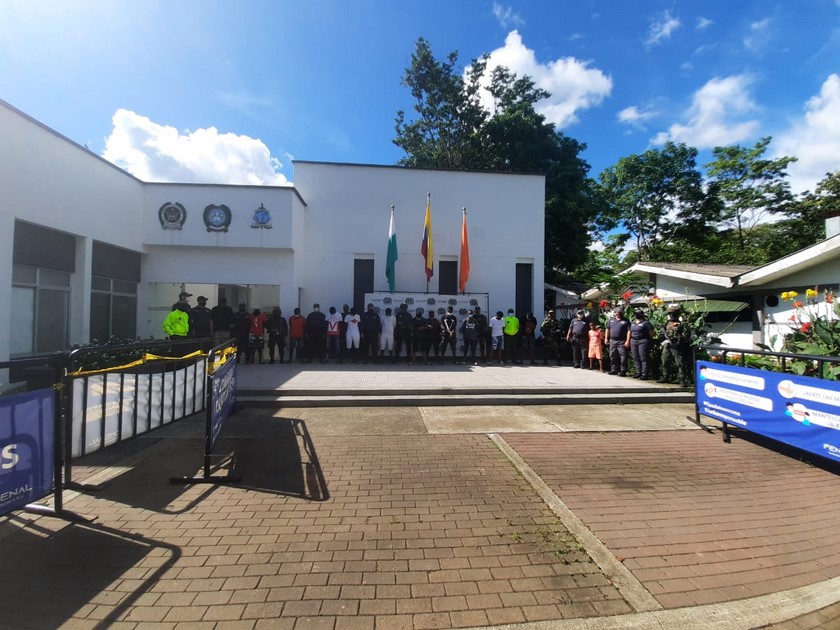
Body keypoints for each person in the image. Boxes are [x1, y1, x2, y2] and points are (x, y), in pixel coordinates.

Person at [659, 303, 691, 386]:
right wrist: (664, 341)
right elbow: (661, 335)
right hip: (668, 345)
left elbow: (687, 335)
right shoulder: (666, 323)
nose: (671, 315)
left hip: (678, 345)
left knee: (680, 364)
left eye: (673, 314)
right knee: (665, 361)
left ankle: (682, 380)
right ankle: (665, 377)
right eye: (670, 314)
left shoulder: (682, 324)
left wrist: (679, 342)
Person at [630, 308, 655, 380]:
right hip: (634, 341)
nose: (637, 315)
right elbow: (630, 331)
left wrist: (648, 340)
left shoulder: (646, 323)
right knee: (635, 357)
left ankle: (644, 374)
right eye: (636, 314)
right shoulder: (633, 322)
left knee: (643, 358)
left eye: (639, 314)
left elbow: (651, 333)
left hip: (643, 341)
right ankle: (638, 372)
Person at [607, 307, 631, 376]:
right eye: (617, 313)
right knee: (612, 355)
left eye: (620, 313)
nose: (618, 314)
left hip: (622, 341)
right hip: (612, 340)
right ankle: (614, 369)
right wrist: (606, 338)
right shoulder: (611, 320)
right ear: (615, 313)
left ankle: (623, 370)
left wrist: (627, 341)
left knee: (623, 356)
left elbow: (629, 331)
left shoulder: (626, 321)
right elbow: (607, 329)